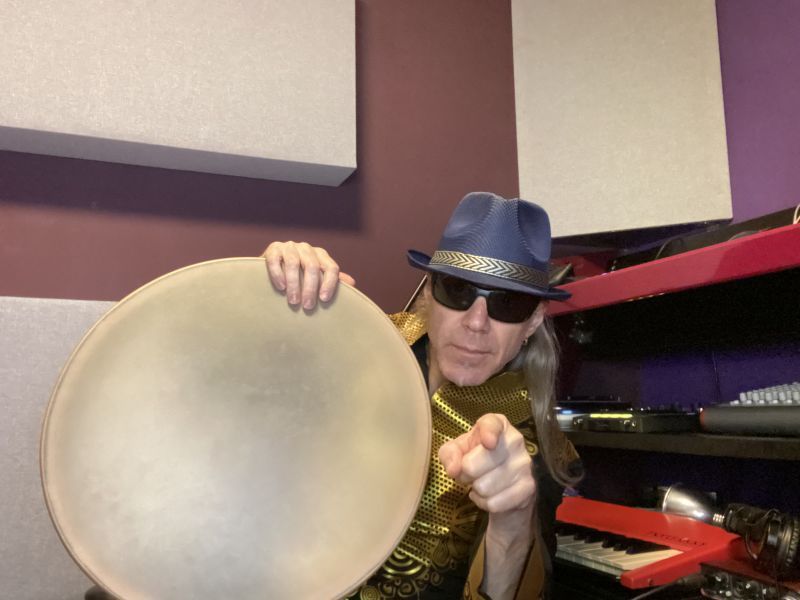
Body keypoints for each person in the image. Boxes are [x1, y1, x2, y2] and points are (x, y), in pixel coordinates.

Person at [262, 192, 582, 600]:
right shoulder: (361, 342)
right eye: (458, 289)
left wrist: (514, 520)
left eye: (509, 303)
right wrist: (273, 291)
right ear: (429, 291)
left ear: (533, 321)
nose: (477, 322)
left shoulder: (534, 448)